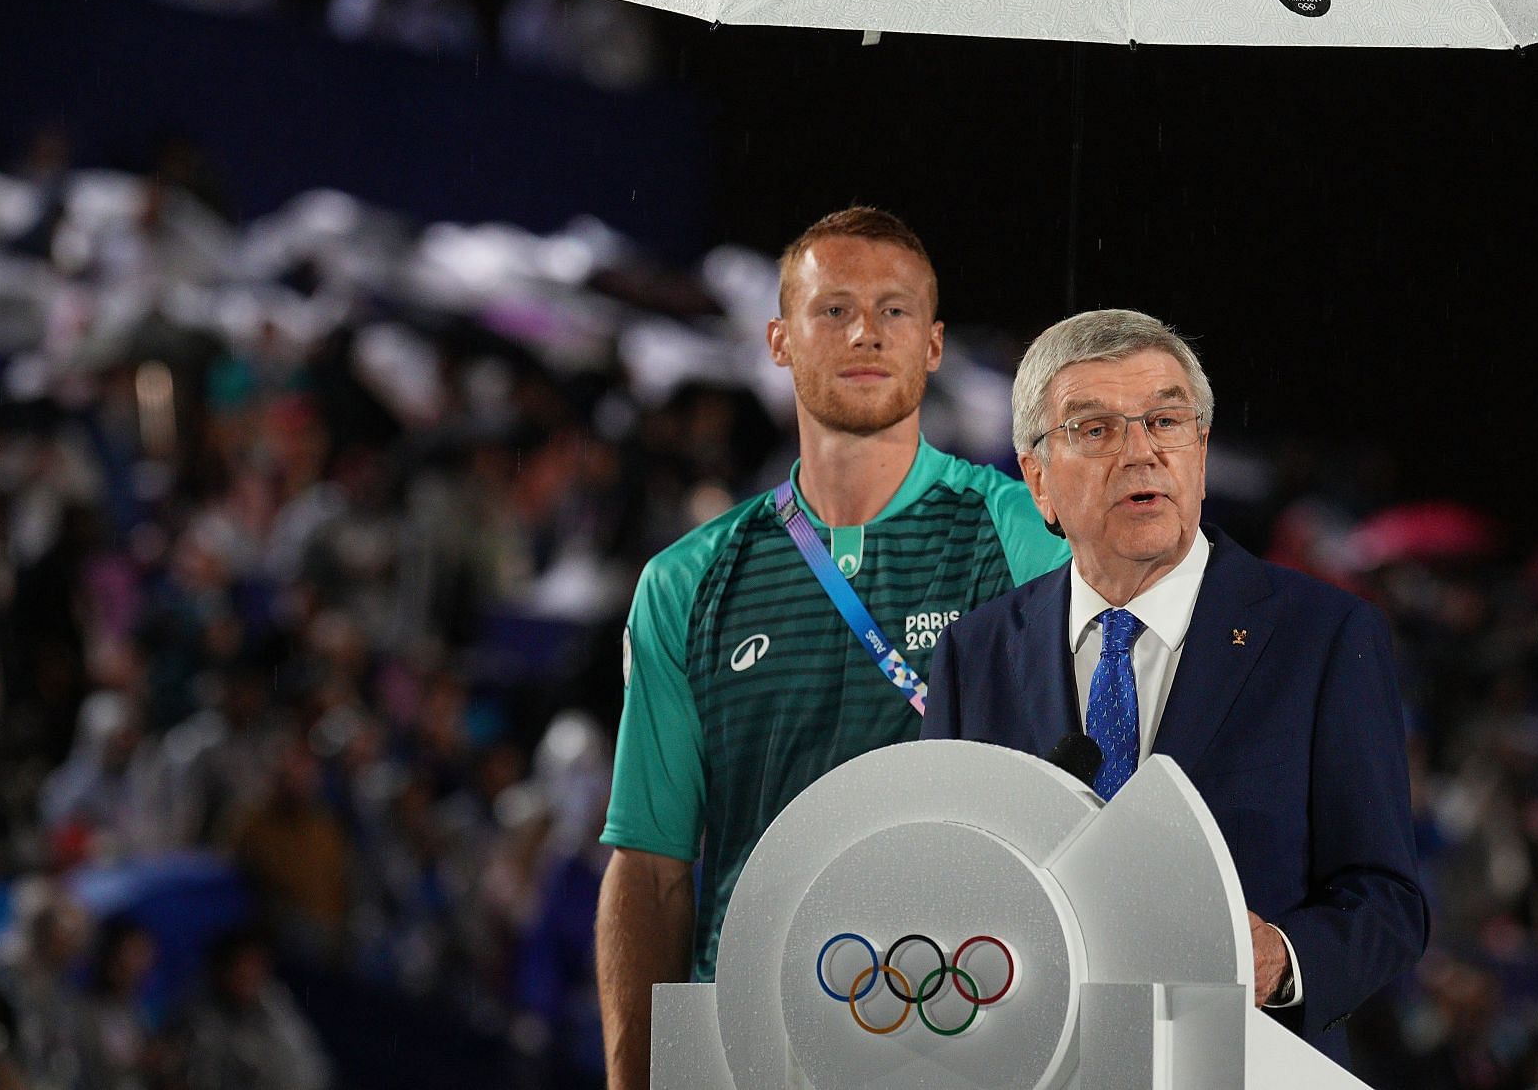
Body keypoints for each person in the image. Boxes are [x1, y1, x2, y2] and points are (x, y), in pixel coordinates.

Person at [594, 207, 1067, 1088]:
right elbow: (652, 866)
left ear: (932, 345)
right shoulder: (686, 580)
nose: (864, 332)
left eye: (894, 311)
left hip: (960, 1038)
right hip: (748, 1045)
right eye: (833, 308)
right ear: (778, 340)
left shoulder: (1025, 537)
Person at [921, 308, 1427, 1068]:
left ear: (1199, 449)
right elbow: (944, 885)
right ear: (1037, 479)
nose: (1140, 453)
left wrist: (1280, 957)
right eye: (1095, 430)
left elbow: (1387, 900)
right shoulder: (975, 652)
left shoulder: (1324, 636)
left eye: (1165, 420)